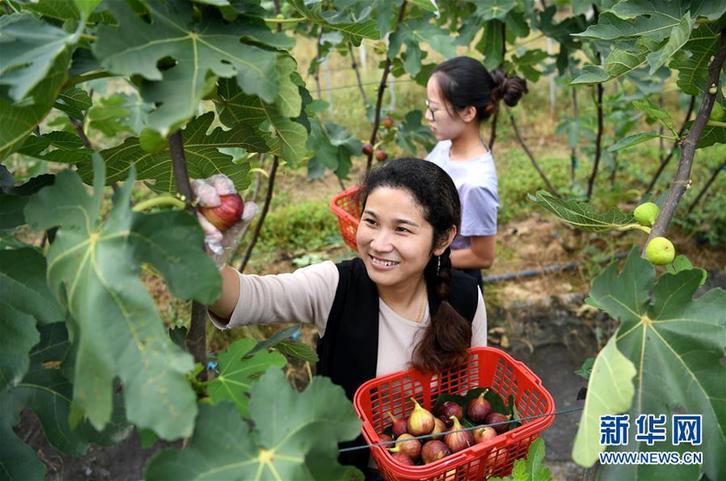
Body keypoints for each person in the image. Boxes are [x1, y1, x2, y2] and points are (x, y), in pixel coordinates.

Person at [197, 159, 488, 475]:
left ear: (443, 240)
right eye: (371, 222)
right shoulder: (335, 287)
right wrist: (206, 258)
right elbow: (246, 298)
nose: (379, 244)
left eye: (402, 229)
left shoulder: (465, 298)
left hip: (439, 469)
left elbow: (474, 404)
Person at [424, 56, 528, 286]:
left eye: (434, 109)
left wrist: (423, 258)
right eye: (427, 107)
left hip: (452, 283)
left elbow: (482, 255)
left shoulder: (476, 183)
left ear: (468, 113)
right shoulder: (444, 148)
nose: (427, 117)